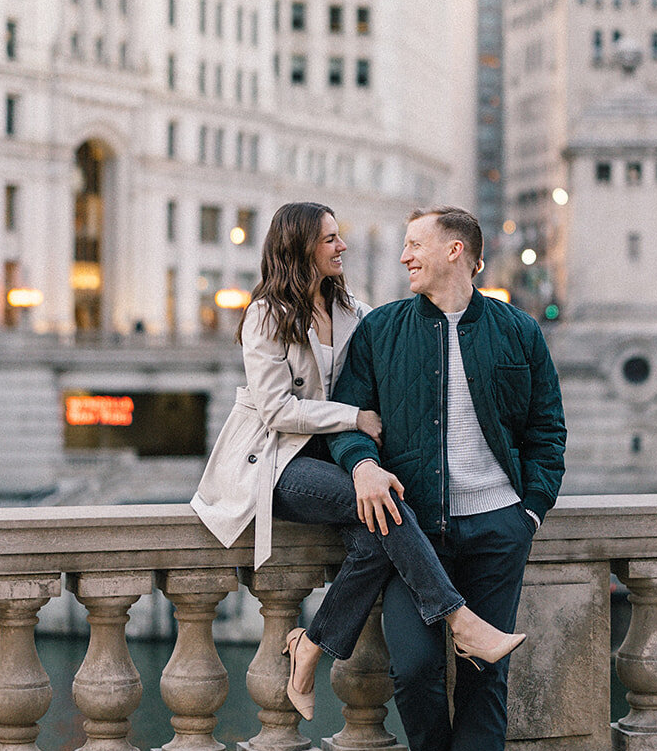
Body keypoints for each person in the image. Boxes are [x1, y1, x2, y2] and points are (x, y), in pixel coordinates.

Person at [189, 201, 525, 722]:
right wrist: (355, 418)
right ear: (299, 247)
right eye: (329, 239)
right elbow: (277, 409)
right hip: (278, 462)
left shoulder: (354, 311)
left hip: (331, 458)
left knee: (375, 537)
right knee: (387, 503)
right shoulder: (266, 314)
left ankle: (312, 645)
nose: (341, 246)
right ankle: (458, 620)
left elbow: (380, 369)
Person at [329, 207, 566, 751]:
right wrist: (358, 464)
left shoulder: (517, 332)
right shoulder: (383, 330)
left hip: (497, 529)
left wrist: (529, 509)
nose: (404, 257)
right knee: (413, 670)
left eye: (414, 245)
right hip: (415, 534)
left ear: (454, 250)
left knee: (486, 683)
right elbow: (350, 420)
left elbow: (546, 428)